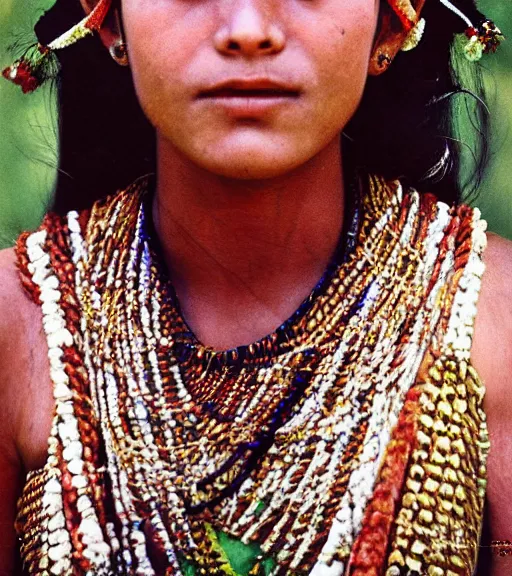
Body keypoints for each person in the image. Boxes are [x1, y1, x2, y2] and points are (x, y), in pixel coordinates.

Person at [0, 0, 511, 574]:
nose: (247, 31)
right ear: (112, 23)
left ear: (391, 25)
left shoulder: (496, 321)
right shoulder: (15, 325)